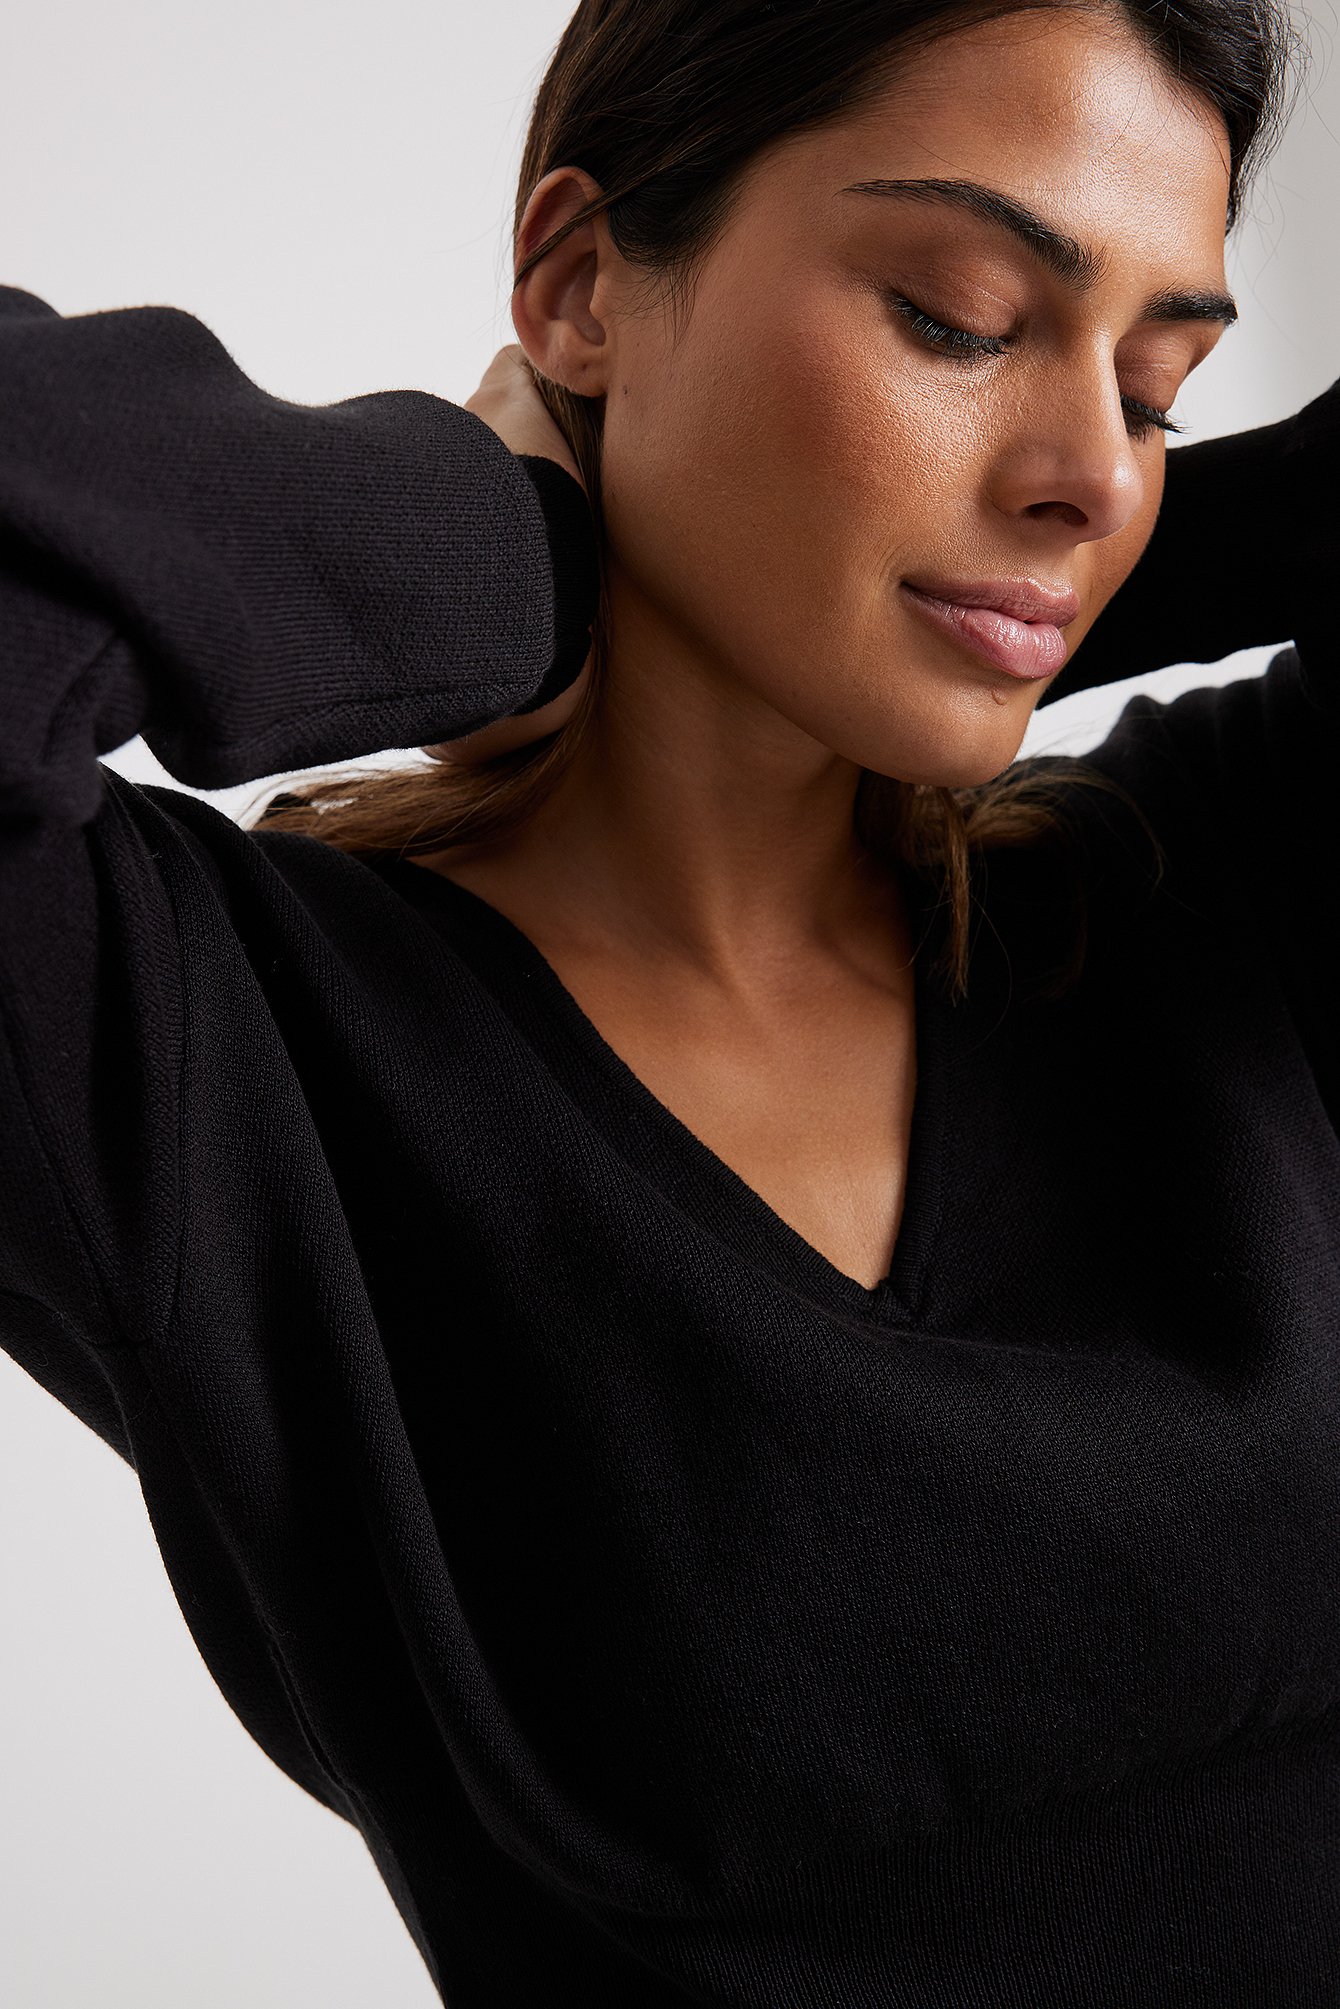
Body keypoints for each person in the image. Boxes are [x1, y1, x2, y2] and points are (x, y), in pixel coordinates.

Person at [2, 0, 1334, 2000]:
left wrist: (1058, 581)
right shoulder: (227, 1054)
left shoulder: (1209, 893)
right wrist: (501, 547)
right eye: (961, 317)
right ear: (577, 279)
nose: (1092, 469)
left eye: (1157, 391)